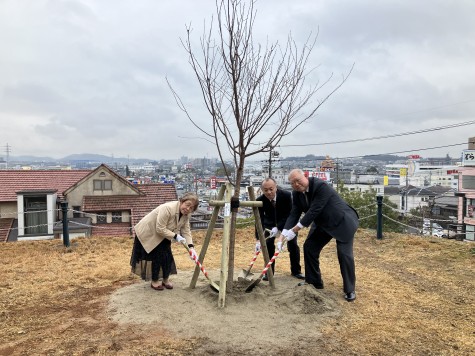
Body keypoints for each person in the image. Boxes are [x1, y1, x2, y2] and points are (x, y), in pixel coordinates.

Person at [279, 169, 359, 302]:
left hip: (341, 221)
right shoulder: (297, 194)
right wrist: (283, 234)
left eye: (298, 180)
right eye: (293, 183)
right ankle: (314, 282)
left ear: (305, 176)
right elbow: (294, 213)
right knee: (309, 247)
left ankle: (350, 289)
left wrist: (295, 230)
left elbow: (314, 210)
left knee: (344, 255)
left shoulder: (320, 186)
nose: (296, 184)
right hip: (322, 224)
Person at [130, 192, 199, 290]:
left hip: (165, 234)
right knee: (156, 256)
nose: (188, 209)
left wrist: (191, 247)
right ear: (181, 201)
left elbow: (186, 230)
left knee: (167, 256)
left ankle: (165, 279)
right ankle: (154, 281)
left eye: (191, 208)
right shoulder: (167, 208)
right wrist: (176, 236)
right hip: (149, 232)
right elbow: (160, 228)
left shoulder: (186, 215)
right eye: (187, 205)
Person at [255, 177, 304, 281]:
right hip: (269, 225)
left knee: (293, 245)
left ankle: (296, 271)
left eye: (271, 189)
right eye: (265, 190)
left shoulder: (286, 195)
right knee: (268, 246)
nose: (269, 192)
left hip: (286, 224)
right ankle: (269, 273)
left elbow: (290, 214)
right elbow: (259, 220)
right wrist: (258, 238)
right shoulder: (260, 200)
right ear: (262, 190)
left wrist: (279, 227)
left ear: (276, 187)